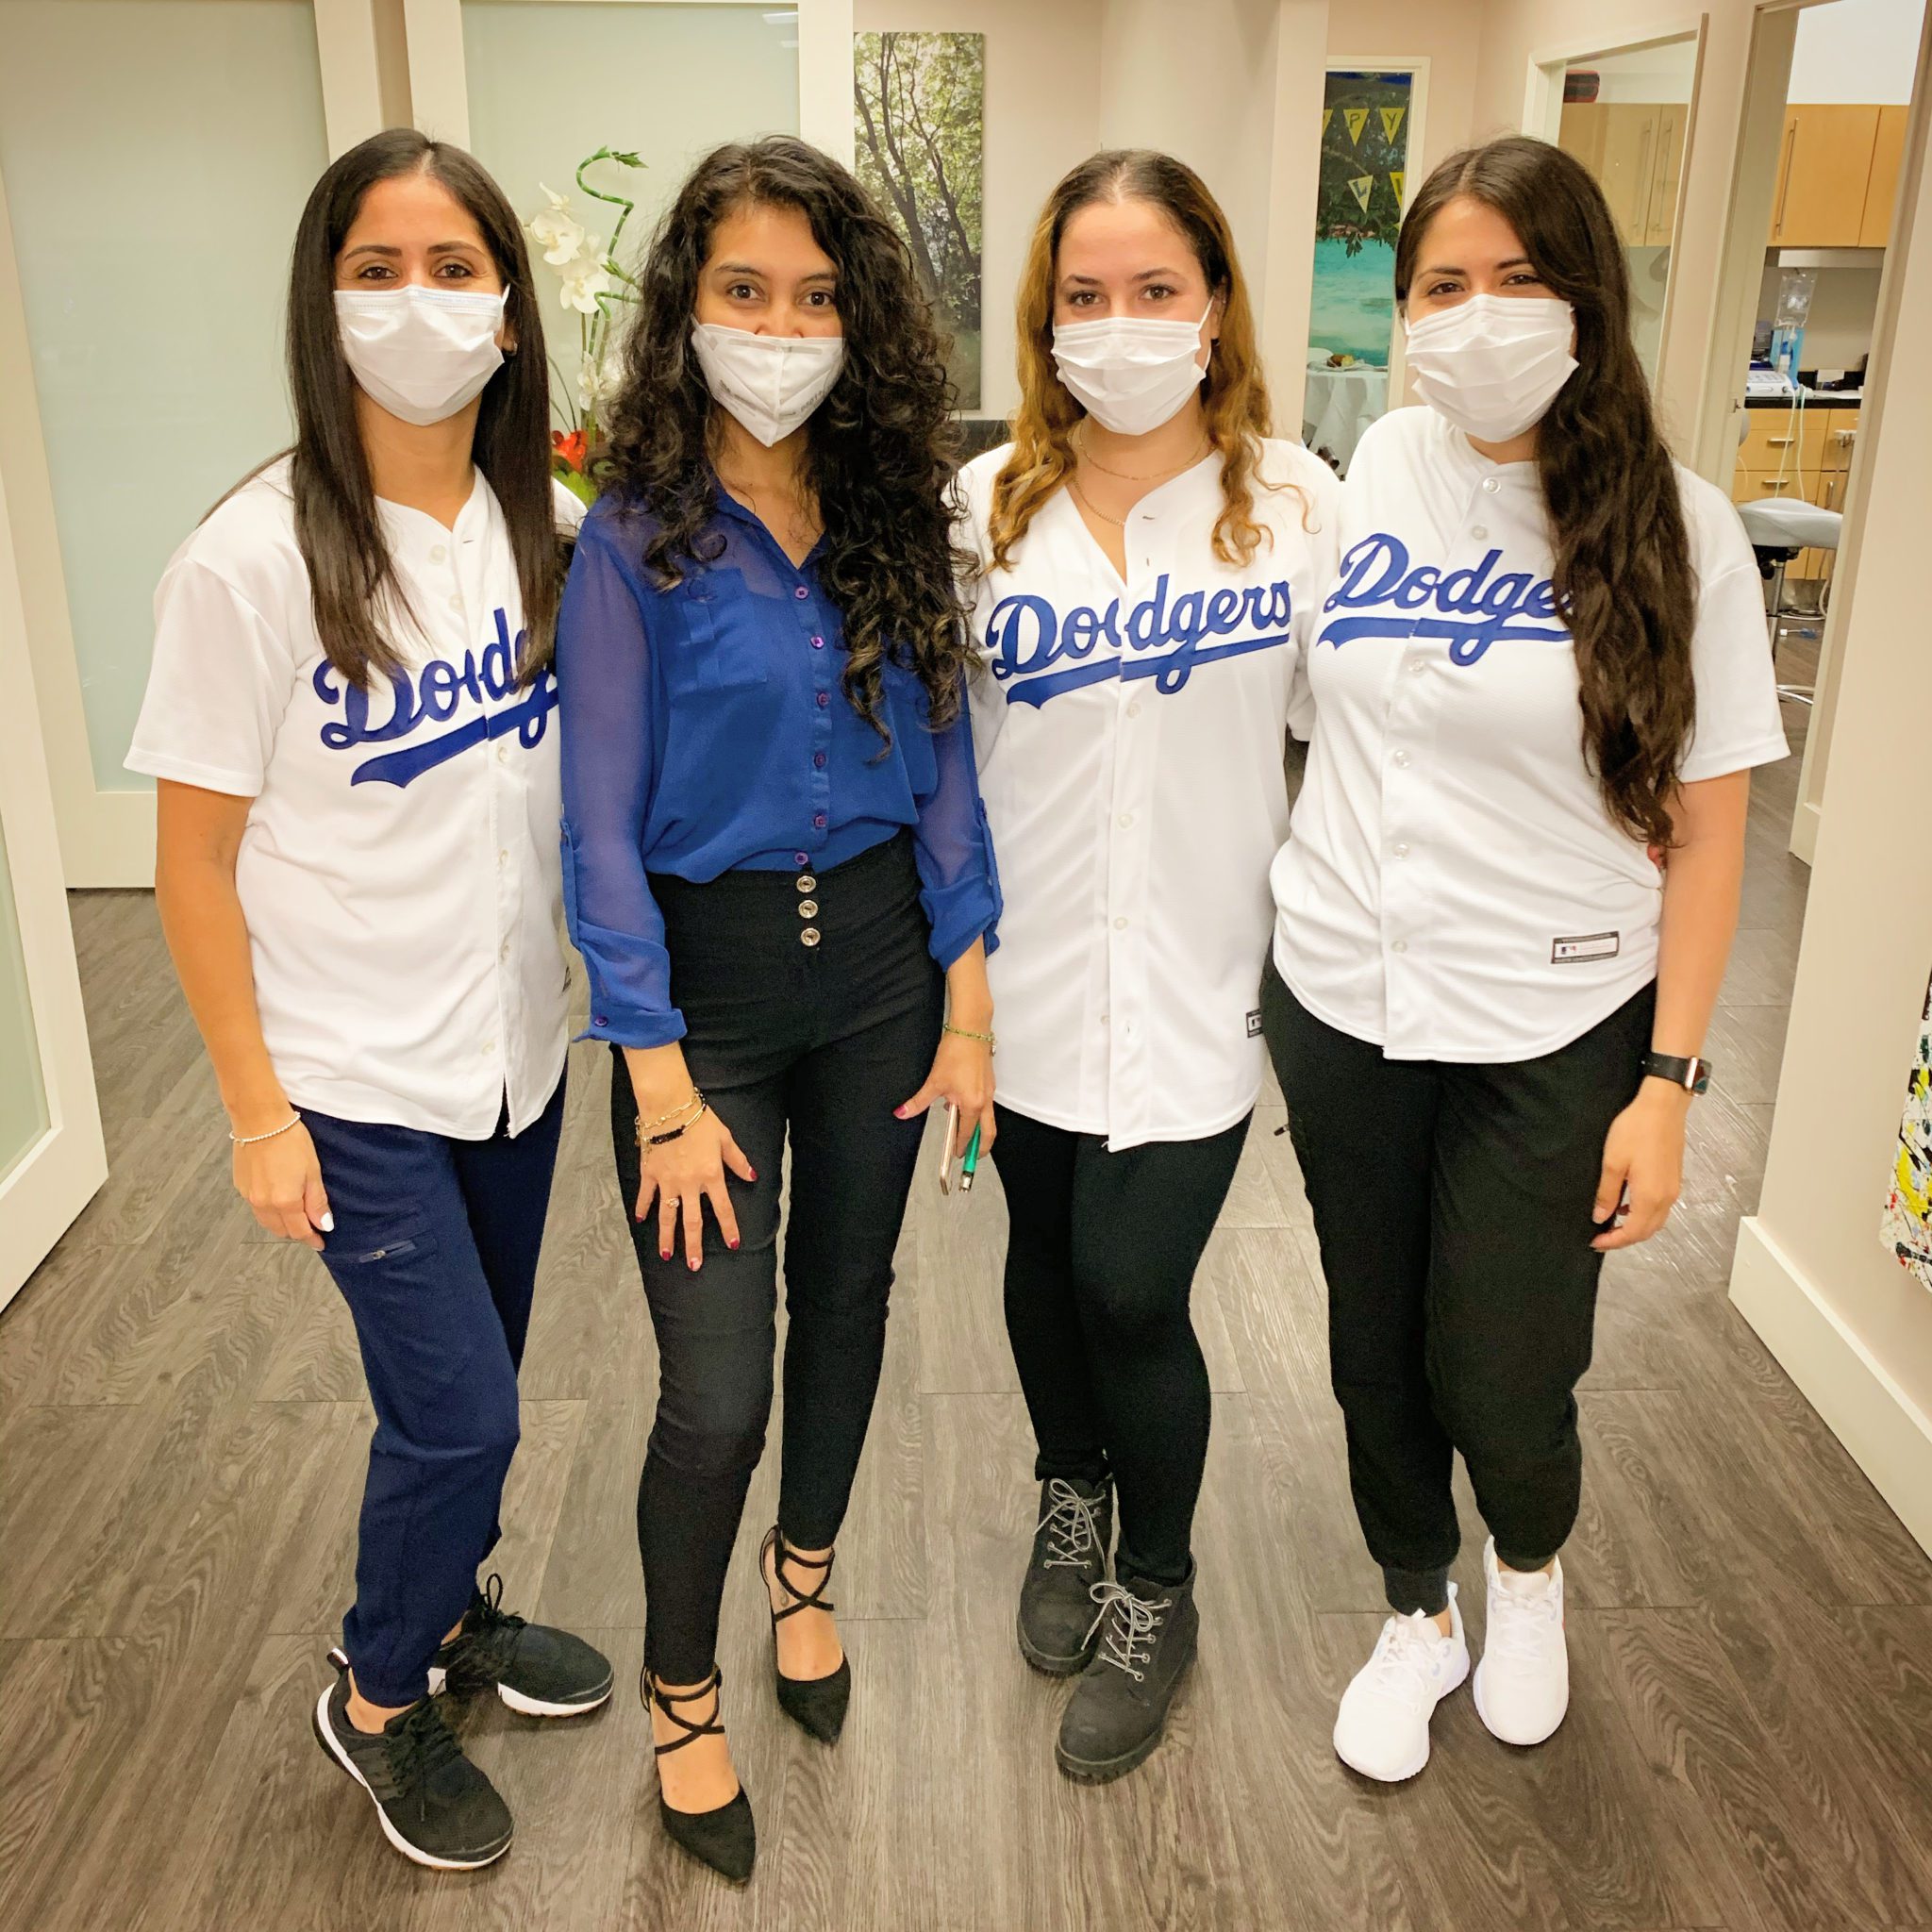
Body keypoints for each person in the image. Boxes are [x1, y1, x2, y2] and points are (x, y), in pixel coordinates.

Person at [1262, 135, 1789, 1783]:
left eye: (1518, 280)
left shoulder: (1678, 528)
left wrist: (1671, 1080)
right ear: (1402, 310)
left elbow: (1711, 826)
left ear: (1586, 301)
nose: (1478, 316)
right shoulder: (1360, 482)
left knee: (1503, 1353)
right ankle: (1416, 1609)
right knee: (1371, 1342)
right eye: (1442, 285)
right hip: (1346, 998)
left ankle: (1530, 1571)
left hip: (1555, 1014)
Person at [129, 129, 612, 1871]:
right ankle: (381, 1688)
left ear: (508, 307)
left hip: (508, 1052)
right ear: (324, 305)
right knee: (461, 1408)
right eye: (377, 269)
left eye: (455, 268)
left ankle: (454, 1607)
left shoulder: (534, 525)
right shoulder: (248, 560)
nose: (419, 303)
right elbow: (191, 868)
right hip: (350, 1078)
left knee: (476, 1377)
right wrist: (257, 1111)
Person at [557, 135, 1000, 1883]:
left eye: (816, 297)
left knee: (854, 1300)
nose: (781, 325)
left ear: (861, 323)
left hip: (888, 976)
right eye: (744, 291)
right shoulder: (632, 541)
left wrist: (967, 1001)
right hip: (707, 1012)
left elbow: (948, 773)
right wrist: (657, 1080)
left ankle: (800, 1576)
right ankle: (683, 1686)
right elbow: (597, 828)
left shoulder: (901, 517)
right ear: (689, 311)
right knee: (713, 1392)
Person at [956, 150, 1339, 1783]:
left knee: (1130, 1283)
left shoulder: (1303, 509)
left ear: (1216, 305)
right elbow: (922, 753)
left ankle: (1156, 1584)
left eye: (1155, 291)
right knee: (1042, 1269)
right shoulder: (979, 514)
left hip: (1200, 977)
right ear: (1045, 322)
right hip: (1016, 980)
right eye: (1083, 298)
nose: (1119, 325)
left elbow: (1376, 739)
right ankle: (1072, 1492)